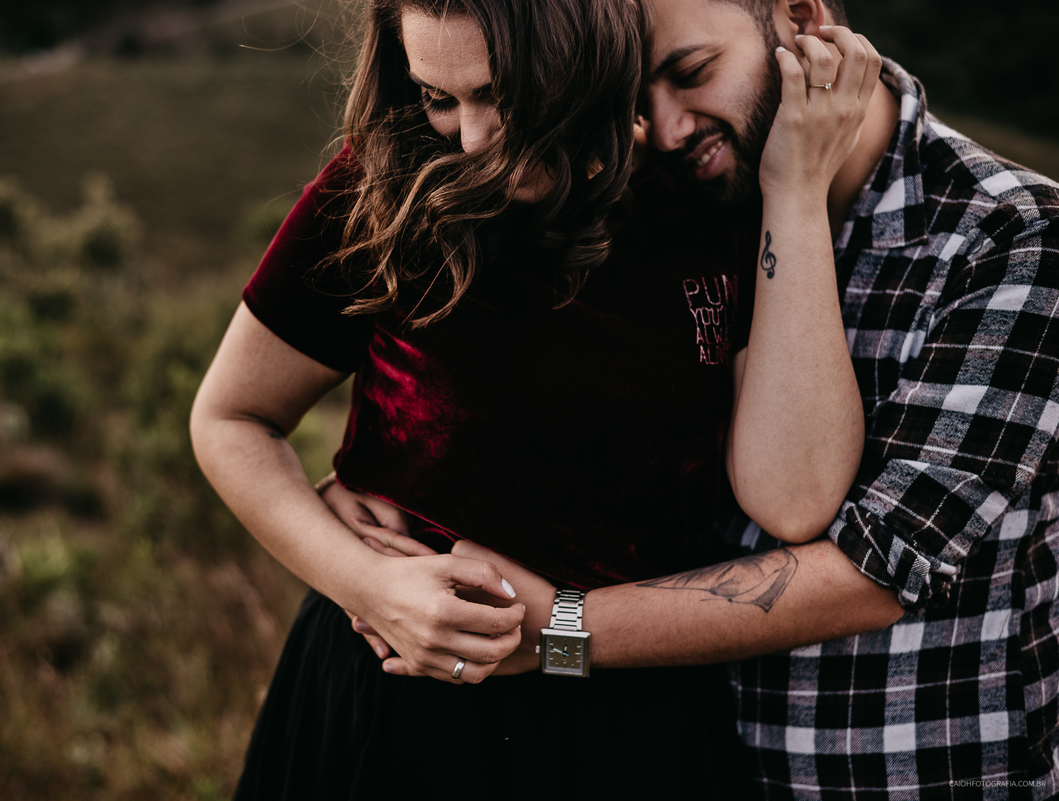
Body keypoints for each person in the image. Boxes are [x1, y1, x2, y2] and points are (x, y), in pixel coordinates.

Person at [332, 0, 1059, 797]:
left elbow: (875, 570)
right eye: (638, 101)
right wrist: (392, 472)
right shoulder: (689, 206)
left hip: (912, 773)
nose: (669, 131)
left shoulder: (1013, 239)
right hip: (707, 761)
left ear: (800, 15)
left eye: (691, 73)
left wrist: (558, 633)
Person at [190, 0, 880, 796]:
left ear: (584, 53)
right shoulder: (385, 185)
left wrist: (793, 193)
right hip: (392, 700)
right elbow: (231, 417)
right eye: (439, 97)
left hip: (626, 720)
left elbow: (795, 501)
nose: (472, 138)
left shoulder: (704, 197)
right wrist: (366, 582)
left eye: (503, 94)